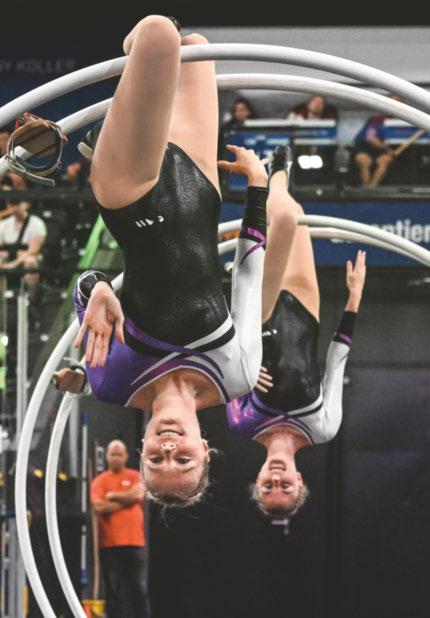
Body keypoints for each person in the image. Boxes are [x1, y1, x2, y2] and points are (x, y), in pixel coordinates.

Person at [54, 16, 268, 507]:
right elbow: (249, 277)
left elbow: (87, 291)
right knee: (196, 46)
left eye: (156, 459)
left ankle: (127, 94)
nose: (169, 449)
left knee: (157, 35)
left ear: (142, 450)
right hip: (201, 191)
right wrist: (257, 187)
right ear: (205, 450)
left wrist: (99, 287)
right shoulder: (237, 376)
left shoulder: (113, 383)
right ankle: (128, 101)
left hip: (133, 195)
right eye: (183, 460)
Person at [226, 145, 367, 520]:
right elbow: (336, 362)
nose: (277, 479)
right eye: (285, 486)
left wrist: (244, 376)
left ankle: (271, 178)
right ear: (299, 479)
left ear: (257, 480)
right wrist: (354, 299)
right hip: (305, 308)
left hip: (260, 312)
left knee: (285, 217)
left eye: (267, 487)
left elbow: (226, 366)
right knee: (294, 214)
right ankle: (278, 172)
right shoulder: (323, 428)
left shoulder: (241, 422)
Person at [90, 440, 148, 618]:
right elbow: (98, 506)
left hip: (135, 542)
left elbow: (138, 495)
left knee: (139, 587)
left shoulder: (135, 476)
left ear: (126, 456)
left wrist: (112, 495)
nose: (116, 458)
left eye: (119, 454)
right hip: (110, 544)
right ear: (107, 456)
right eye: (112, 454)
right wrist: (127, 501)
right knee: (113, 590)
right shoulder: (99, 481)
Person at [0, 197, 46, 297]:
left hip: (27, 257)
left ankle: (32, 298)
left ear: (26, 204)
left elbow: (33, 250)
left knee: (30, 261)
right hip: (9, 257)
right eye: (11, 205)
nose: (14, 208)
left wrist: (14, 264)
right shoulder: (4, 224)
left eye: (17, 204)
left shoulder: (37, 223)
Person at [352, 94, 401, 187]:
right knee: (365, 161)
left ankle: (372, 187)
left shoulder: (400, 122)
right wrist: (387, 149)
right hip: (364, 148)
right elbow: (371, 139)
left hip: (382, 152)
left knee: (385, 161)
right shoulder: (376, 120)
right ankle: (366, 188)